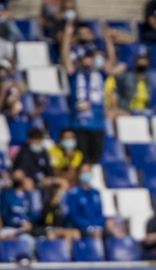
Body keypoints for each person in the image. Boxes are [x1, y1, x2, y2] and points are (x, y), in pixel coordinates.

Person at [62, 21, 116, 164]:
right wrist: (67, 35)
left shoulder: (100, 75)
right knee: (81, 161)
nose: (87, 63)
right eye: (85, 60)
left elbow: (111, 60)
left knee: (95, 160)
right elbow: (65, 57)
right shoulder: (75, 76)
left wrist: (107, 39)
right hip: (78, 124)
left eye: (90, 60)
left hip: (98, 124)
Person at [66, 164, 105, 238]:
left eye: (88, 171)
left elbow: (100, 212)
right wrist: (89, 227)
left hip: (97, 227)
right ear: (79, 174)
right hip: (82, 227)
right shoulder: (74, 193)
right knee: (94, 236)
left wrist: (98, 226)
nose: (86, 174)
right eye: (83, 172)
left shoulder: (96, 192)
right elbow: (74, 215)